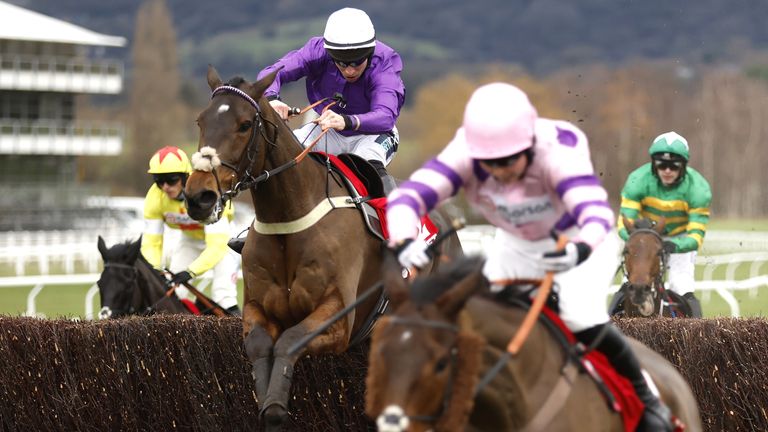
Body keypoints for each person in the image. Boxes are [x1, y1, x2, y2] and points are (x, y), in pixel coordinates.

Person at [386, 83, 674, 431]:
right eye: (489, 163)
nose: (500, 171)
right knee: (472, 310)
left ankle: (648, 401)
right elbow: (408, 197)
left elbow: (595, 213)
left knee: (578, 315)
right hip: (518, 244)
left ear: (528, 146)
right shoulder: (465, 152)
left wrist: (577, 249)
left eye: (508, 161)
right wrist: (403, 239)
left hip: (580, 241)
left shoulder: (557, 154)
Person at [256, 7, 405, 194]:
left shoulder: (384, 63)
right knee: (281, 154)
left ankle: (395, 218)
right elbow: (271, 73)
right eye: (341, 62)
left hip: (374, 134)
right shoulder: (316, 51)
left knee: (364, 165)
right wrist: (272, 99)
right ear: (331, 54)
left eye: (356, 62)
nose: (349, 70)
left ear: (369, 53)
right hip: (329, 129)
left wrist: (347, 121)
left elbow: (386, 116)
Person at [616, 132, 711, 318]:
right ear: (654, 164)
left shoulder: (698, 188)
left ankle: (699, 337)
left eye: (674, 166)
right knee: (630, 283)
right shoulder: (637, 180)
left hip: (679, 239)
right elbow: (623, 223)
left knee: (681, 285)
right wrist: (641, 242)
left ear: (683, 166)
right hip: (644, 237)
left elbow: (696, 237)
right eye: (662, 165)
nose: (667, 171)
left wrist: (675, 245)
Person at [140, 146, 241, 315]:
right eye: (159, 181)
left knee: (223, 297)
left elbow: (216, 247)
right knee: (171, 294)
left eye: (171, 180)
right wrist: (155, 269)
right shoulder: (155, 197)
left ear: (184, 177)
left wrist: (190, 272)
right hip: (189, 242)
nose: (165, 187)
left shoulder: (206, 192)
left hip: (223, 244)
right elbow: (152, 242)